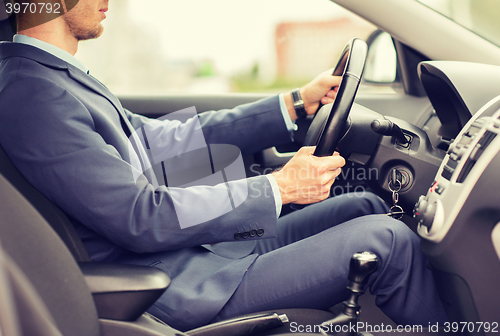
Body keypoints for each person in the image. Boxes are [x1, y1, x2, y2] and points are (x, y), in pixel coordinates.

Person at [0, 0, 448, 331]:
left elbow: (166, 140)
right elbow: (138, 216)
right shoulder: (34, 95)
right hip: (169, 285)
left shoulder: (57, 77)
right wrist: (278, 188)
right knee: (387, 238)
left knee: (364, 205)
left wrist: (292, 105)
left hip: (196, 255)